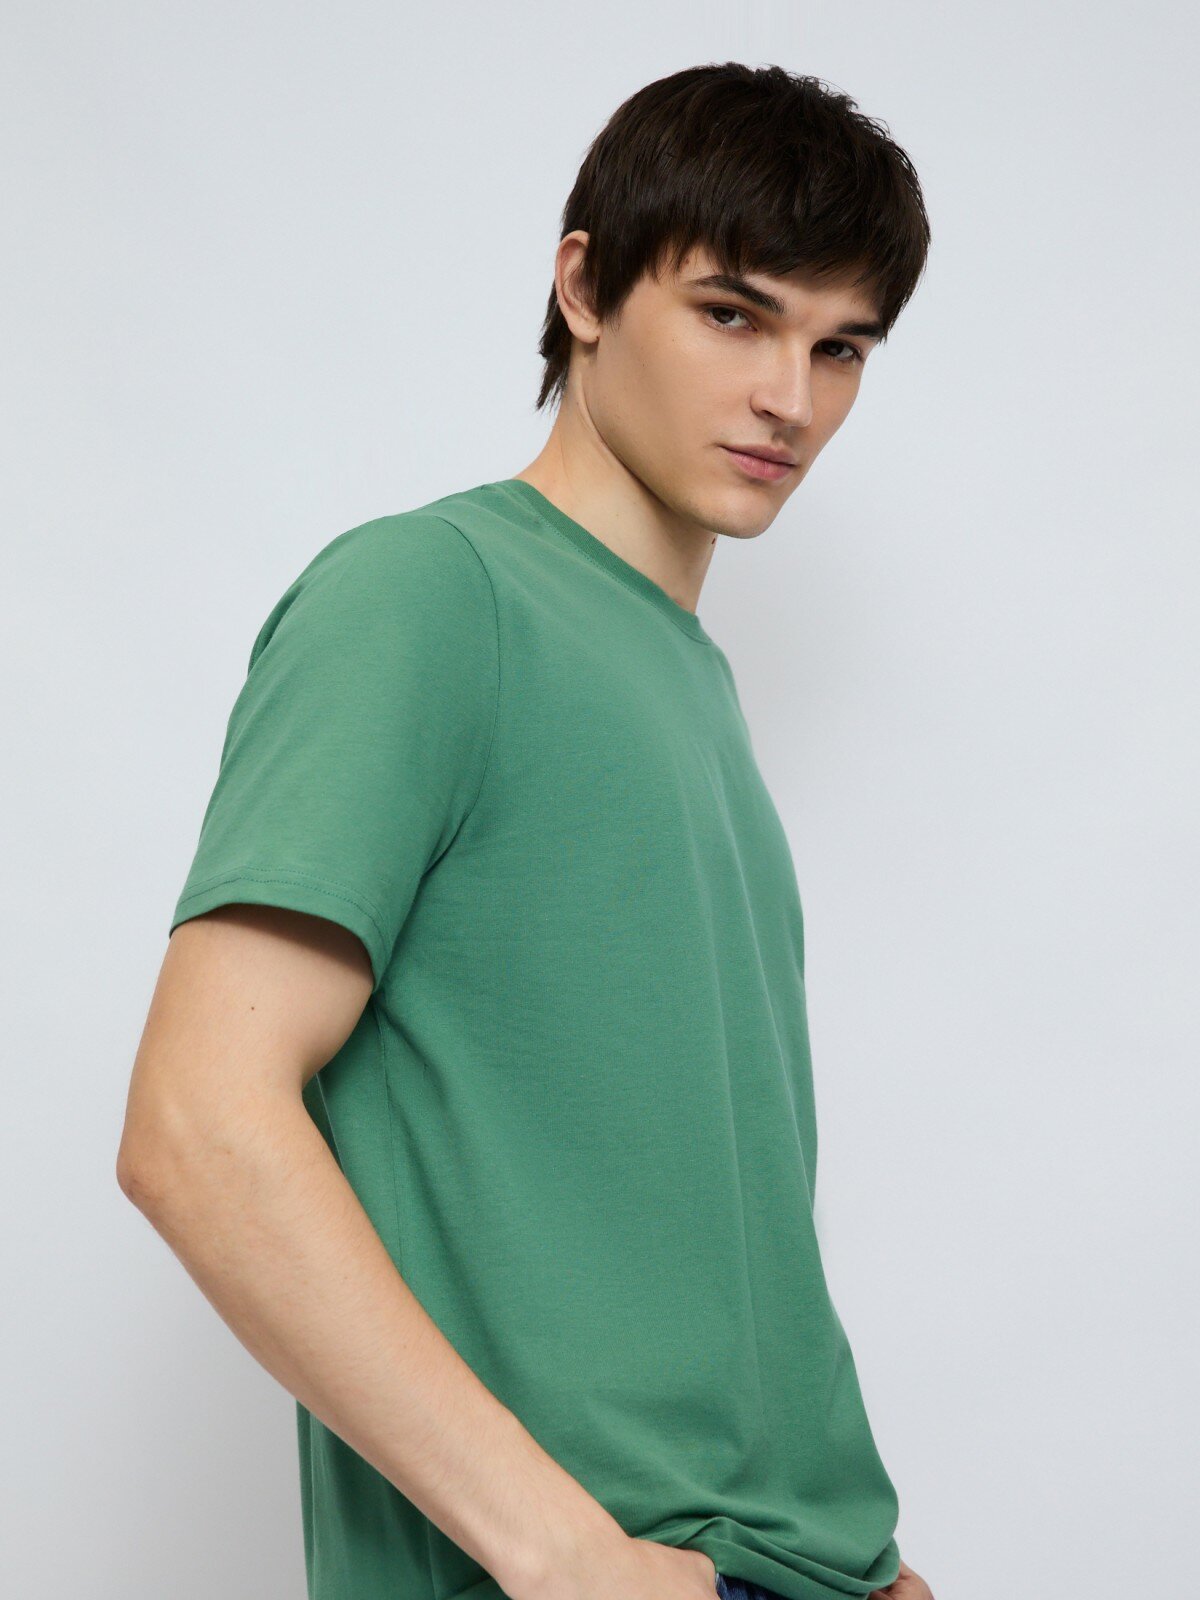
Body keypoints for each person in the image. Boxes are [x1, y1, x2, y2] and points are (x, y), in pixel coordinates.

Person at [117, 61, 934, 1600]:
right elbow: (197, 1126)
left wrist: (859, 1560)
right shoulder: (433, 596)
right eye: (734, 314)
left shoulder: (689, 686)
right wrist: (565, 1555)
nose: (792, 397)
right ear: (584, 286)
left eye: (841, 347)